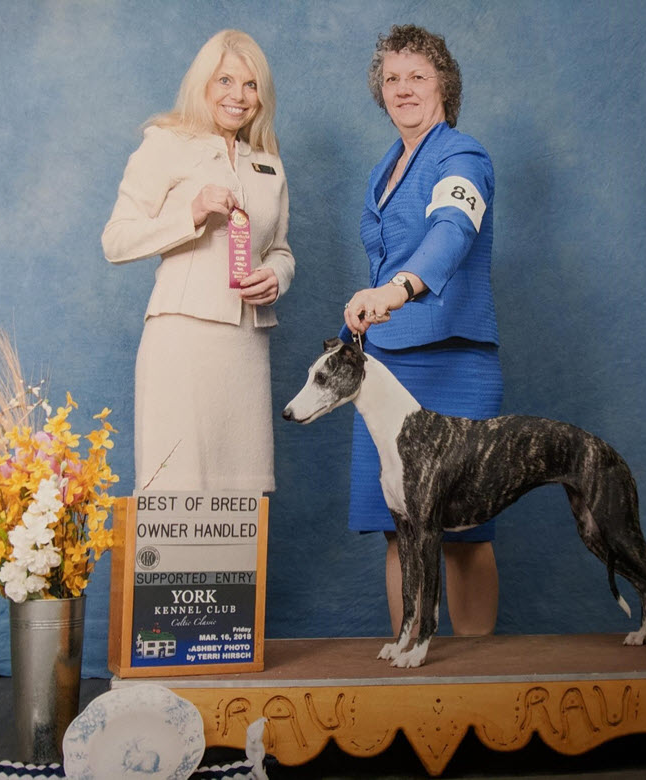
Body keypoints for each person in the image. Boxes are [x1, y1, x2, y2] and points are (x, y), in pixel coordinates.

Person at [342, 24, 502, 637]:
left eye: (418, 76)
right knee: (399, 529)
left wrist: (396, 290)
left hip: (453, 364)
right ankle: (411, 681)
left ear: (444, 84)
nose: (402, 88)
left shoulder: (461, 156)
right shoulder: (387, 167)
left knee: (462, 533)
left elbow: (452, 232)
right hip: (386, 368)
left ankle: (475, 684)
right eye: (391, 78)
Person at [102, 30, 295, 492]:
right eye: (225, 80)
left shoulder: (268, 163)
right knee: (176, 490)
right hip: (181, 341)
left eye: (251, 85)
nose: (238, 95)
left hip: (248, 345)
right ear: (202, 85)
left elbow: (282, 251)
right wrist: (189, 213)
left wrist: (276, 277)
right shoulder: (166, 143)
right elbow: (116, 241)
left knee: (242, 501)